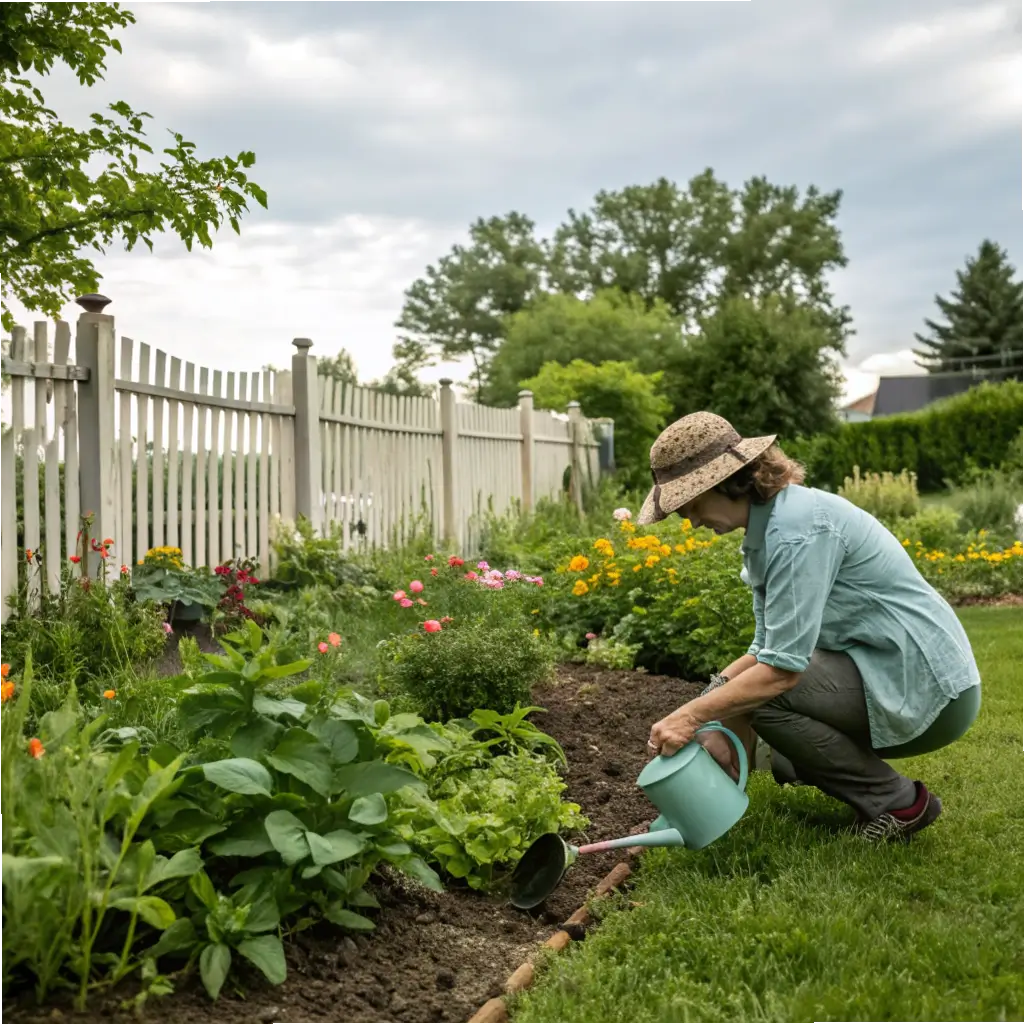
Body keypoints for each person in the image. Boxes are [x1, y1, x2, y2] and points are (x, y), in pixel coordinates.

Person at [639, 412, 982, 842]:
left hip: (929, 687)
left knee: (764, 698)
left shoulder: (796, 531)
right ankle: (798, 765)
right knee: (745, 696)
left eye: (691, 506)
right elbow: (766, 647)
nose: (691, 521)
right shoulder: (770, 529)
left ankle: (898, 803)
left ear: (726, 482)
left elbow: (780, 672)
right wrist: (711, 703)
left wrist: (692, 715)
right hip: (887, 668)